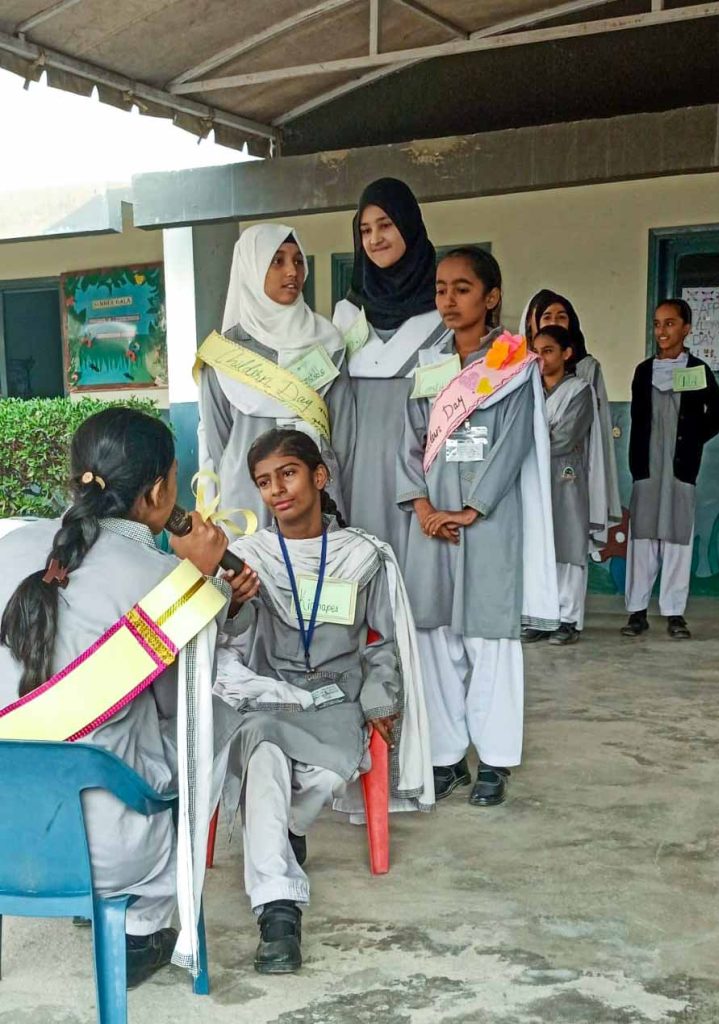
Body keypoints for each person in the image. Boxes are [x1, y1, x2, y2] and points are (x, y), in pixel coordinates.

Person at [0, 408, 238, 988]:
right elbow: (182, 710)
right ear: (157, 493)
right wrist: (202, 586)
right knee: (222, 720)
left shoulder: (8, 544)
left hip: (7, 827)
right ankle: (144, 924)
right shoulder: (165, 582)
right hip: (105, 853)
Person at [214, 428, 433, 974]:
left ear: (319, 476)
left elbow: (382, 641)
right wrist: (235, 604)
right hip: (271, 694)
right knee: (263, 750)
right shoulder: (252, 557)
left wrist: (381, 699)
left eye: (287, 474)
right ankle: (278, 913)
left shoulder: (362, 555)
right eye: (264, 482)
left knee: (323, 774)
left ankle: (283, 830)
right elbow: (230, 639)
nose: (276, 491)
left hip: (338, 695)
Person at [396, 247, 558, 808]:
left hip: (487, 523)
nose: (448, 299)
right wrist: (422, 507)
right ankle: (446, 759)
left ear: (491, 297)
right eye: (441, 288)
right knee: (434, 639)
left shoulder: (514, 367)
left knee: (491, 641)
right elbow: (408, 442)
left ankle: (493, 761)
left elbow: (514, 443)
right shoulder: (427, 366)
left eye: (462, 288)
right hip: (430, 524)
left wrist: (472, 509)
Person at [198, 223, 356, 530]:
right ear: (251, 268)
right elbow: (219, 444)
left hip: (316, 498)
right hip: (247, 503)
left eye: (298, 261)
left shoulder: (328, 342)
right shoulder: (222, 354)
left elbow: (343, 436)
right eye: (277, 261)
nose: (292, 272)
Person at [332, 177, 448, 562]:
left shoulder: (443, 313)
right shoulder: (346, 315)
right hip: (357, 473)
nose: (375, 239)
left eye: (385, 225)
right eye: (365, 230)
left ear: (409, 225)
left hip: (422, 476)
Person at [622, 299, 719, 639]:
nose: (662, 331)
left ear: (686, 328)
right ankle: (637, 611)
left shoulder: (696, 370)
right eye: (657, 324)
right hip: (648, 468)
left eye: (670, 323)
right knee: (642, 539)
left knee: (677, 539)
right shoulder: (644, 371)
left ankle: (674, 613)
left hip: (680, 469)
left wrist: (693, 439)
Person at [533, 325, 606, 645]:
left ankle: (568, 619)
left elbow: (564, 437)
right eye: (536, 352)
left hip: (566, 477)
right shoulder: (529, 391)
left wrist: (528, 442)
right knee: (537, 548)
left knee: (568, 544)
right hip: (533, 477)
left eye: (548, 351)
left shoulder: (580, 391)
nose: (541, 358)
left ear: (566, 354)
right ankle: (539, 615)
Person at [534, 291, 622, 528]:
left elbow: (572, 435)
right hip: (536, 473)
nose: (554, 322)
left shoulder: (585, 374)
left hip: (572, 467)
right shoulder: (526, 378)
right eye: (547, 317)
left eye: (561, 317)